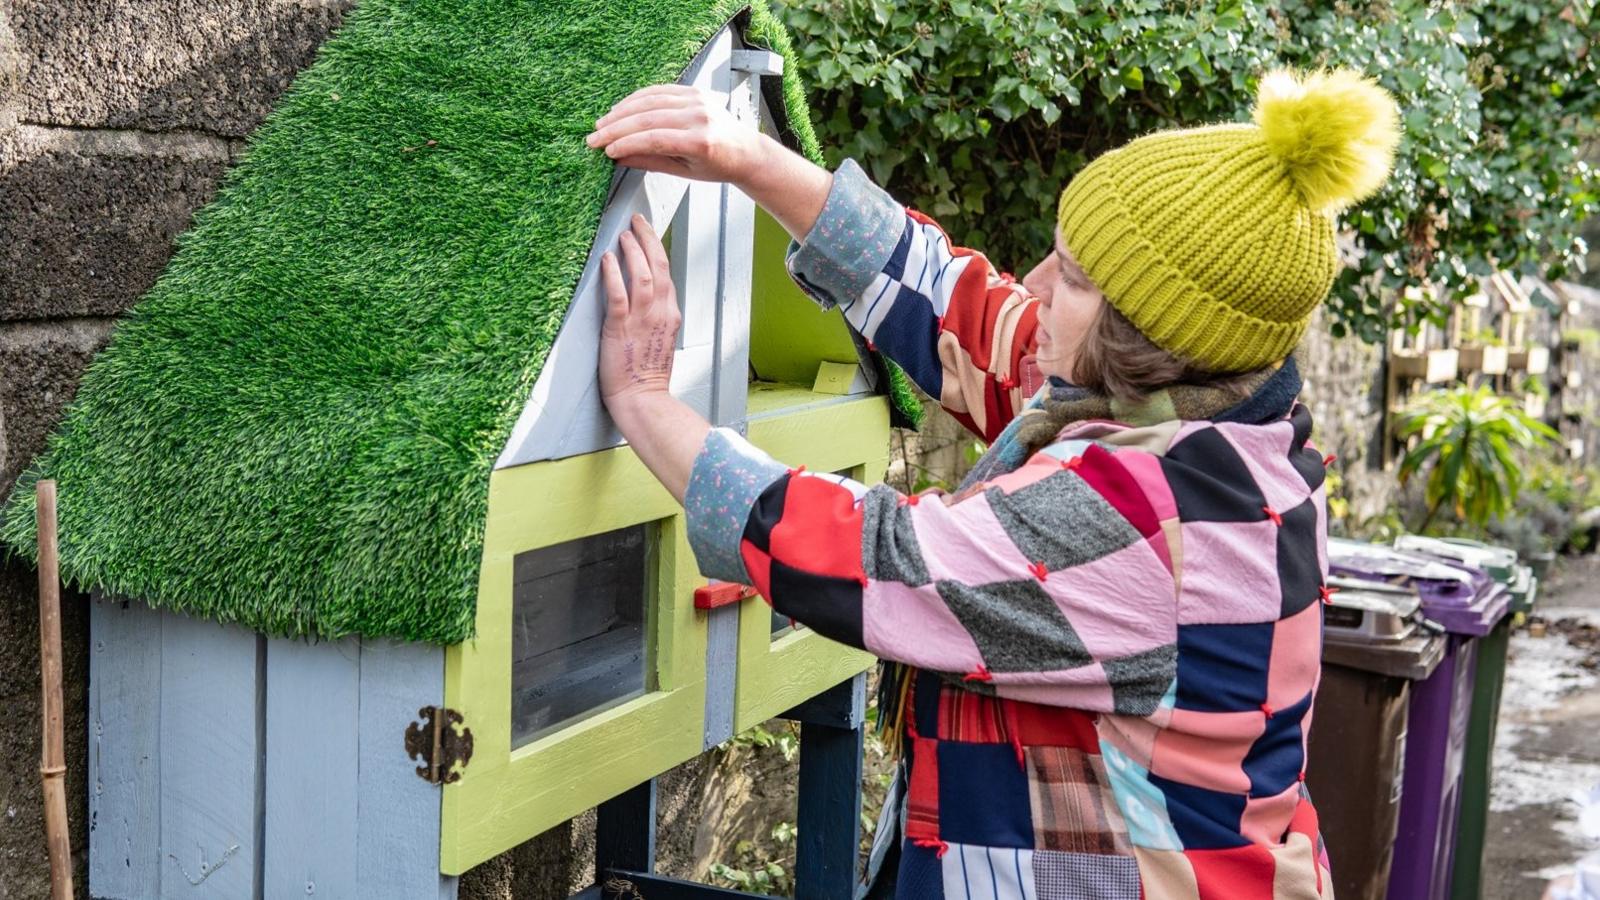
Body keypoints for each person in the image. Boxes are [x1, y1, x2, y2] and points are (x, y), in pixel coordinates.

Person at [585, 67, 1398, 898]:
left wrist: (648, 404)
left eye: (1076, 280)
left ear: (1150, 337)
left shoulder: (1157, 516)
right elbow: (962, 314)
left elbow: (882, 559)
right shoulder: (1204, 416)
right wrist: (750, 160)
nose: (1038, 286)